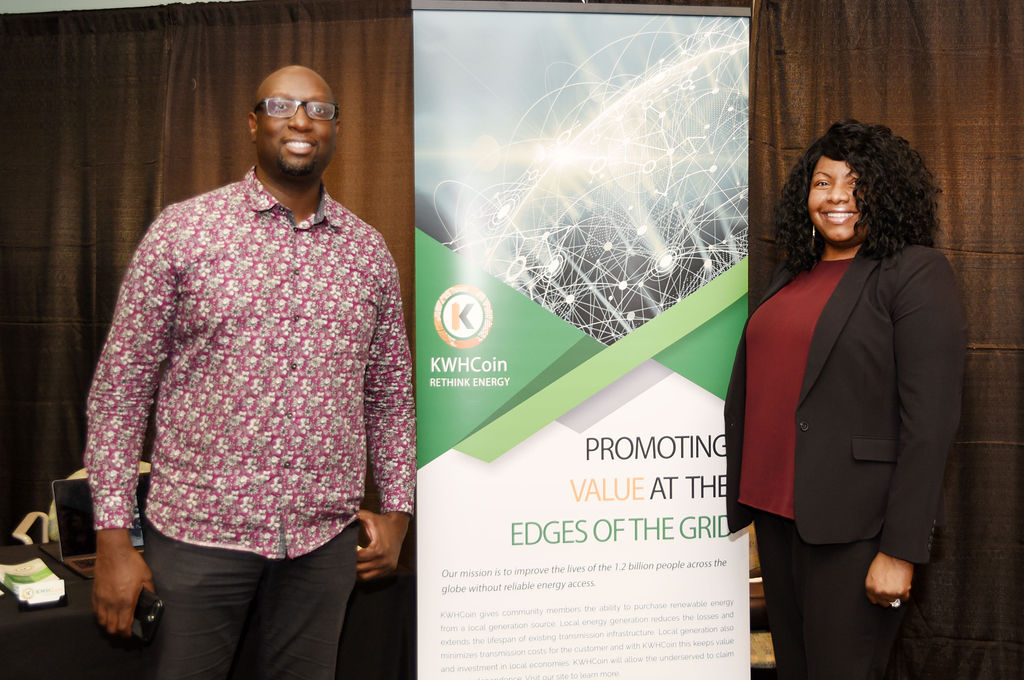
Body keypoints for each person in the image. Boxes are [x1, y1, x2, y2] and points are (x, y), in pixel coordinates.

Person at [83, 65, 415, 679]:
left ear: (335, 129)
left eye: (319, 110)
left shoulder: (367, 253)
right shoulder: (184, 233)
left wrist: (397, 512)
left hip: (322, 543)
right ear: (253, 124)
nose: (301, 121)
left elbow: (390, 394)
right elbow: (120, 392)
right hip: (196, 537)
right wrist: (112, 538)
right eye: (282, 106)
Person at [724, 120, 966, 679]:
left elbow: (930, 425)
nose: (837, 197)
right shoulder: (792, 273)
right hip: (778, 518)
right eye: (823, 182)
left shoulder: (915, 273)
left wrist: (900, 550)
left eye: (857, 184)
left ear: (887, 194)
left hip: (858, 529)